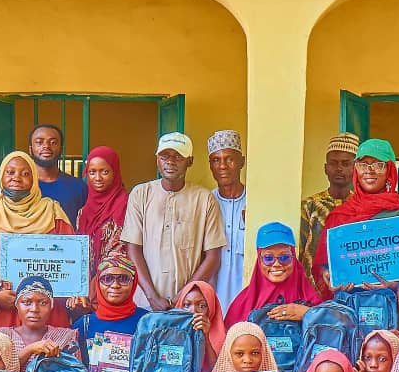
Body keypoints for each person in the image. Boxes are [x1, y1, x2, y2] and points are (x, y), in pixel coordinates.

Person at [312, 138, 399, 294]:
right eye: (363, 164)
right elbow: (325, 270)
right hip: (353, 309)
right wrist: (330, 278)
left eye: (378, 164)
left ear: (389, 170)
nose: (369, 170)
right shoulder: (340, 217)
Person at [0, 151, 74, 330]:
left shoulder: (53, 214)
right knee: (0, 356)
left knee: (46, 356)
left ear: (35, 178)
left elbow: (70, 261)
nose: (17, 178)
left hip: (45, 315)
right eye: (10, 172)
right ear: (1, 177)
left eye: (25, 173)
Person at [122, 132, 227, 311]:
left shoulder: (204, 199)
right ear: (157, 160)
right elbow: (133, 249)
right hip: (144, 302)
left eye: (178, 156)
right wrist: (152, 296)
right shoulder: (140, 194)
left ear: (190, 161)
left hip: (188, 306)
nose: (170, 161)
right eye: (165, 156)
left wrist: (185, 295)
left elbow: (213, 257)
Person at [225, 221, 321, 327]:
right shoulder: (243, 304)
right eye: (268, 258)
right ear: (259, 261)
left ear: (293, 258)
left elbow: (331, 329)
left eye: (284, 257)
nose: (276, 264)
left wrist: (308, 314)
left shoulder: (309, 298)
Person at [299, 132, 360, 292]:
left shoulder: (362, 207)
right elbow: (299, 252)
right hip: (312, 293)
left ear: (355, 169)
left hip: (353, 289)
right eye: (333, 163)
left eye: (346, 163)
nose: (339, 168)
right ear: (326, 168)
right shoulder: (309, 206)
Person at [207, 129, 246, 311]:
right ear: (210, 166)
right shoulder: (205, 203)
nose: (222, 166)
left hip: (247, 297)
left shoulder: (255, 203)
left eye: (229, 159)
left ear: (242, 162)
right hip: (213, 299)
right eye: (216, 160)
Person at [76, 146, 129, 275]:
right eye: (92, 172)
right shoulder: (83, 212)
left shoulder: (126, 206)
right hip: (84, 284)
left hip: (113, 282)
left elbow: (123, 250)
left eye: (104, 172)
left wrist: (97, 282)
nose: (98, 178)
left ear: (114, 172)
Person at [30, 124, 88, 226]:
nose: (46, 146)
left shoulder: (79, 187)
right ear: (30, 149)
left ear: (61, 149)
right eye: (39, 142)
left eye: (53, 142)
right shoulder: (21, 187)